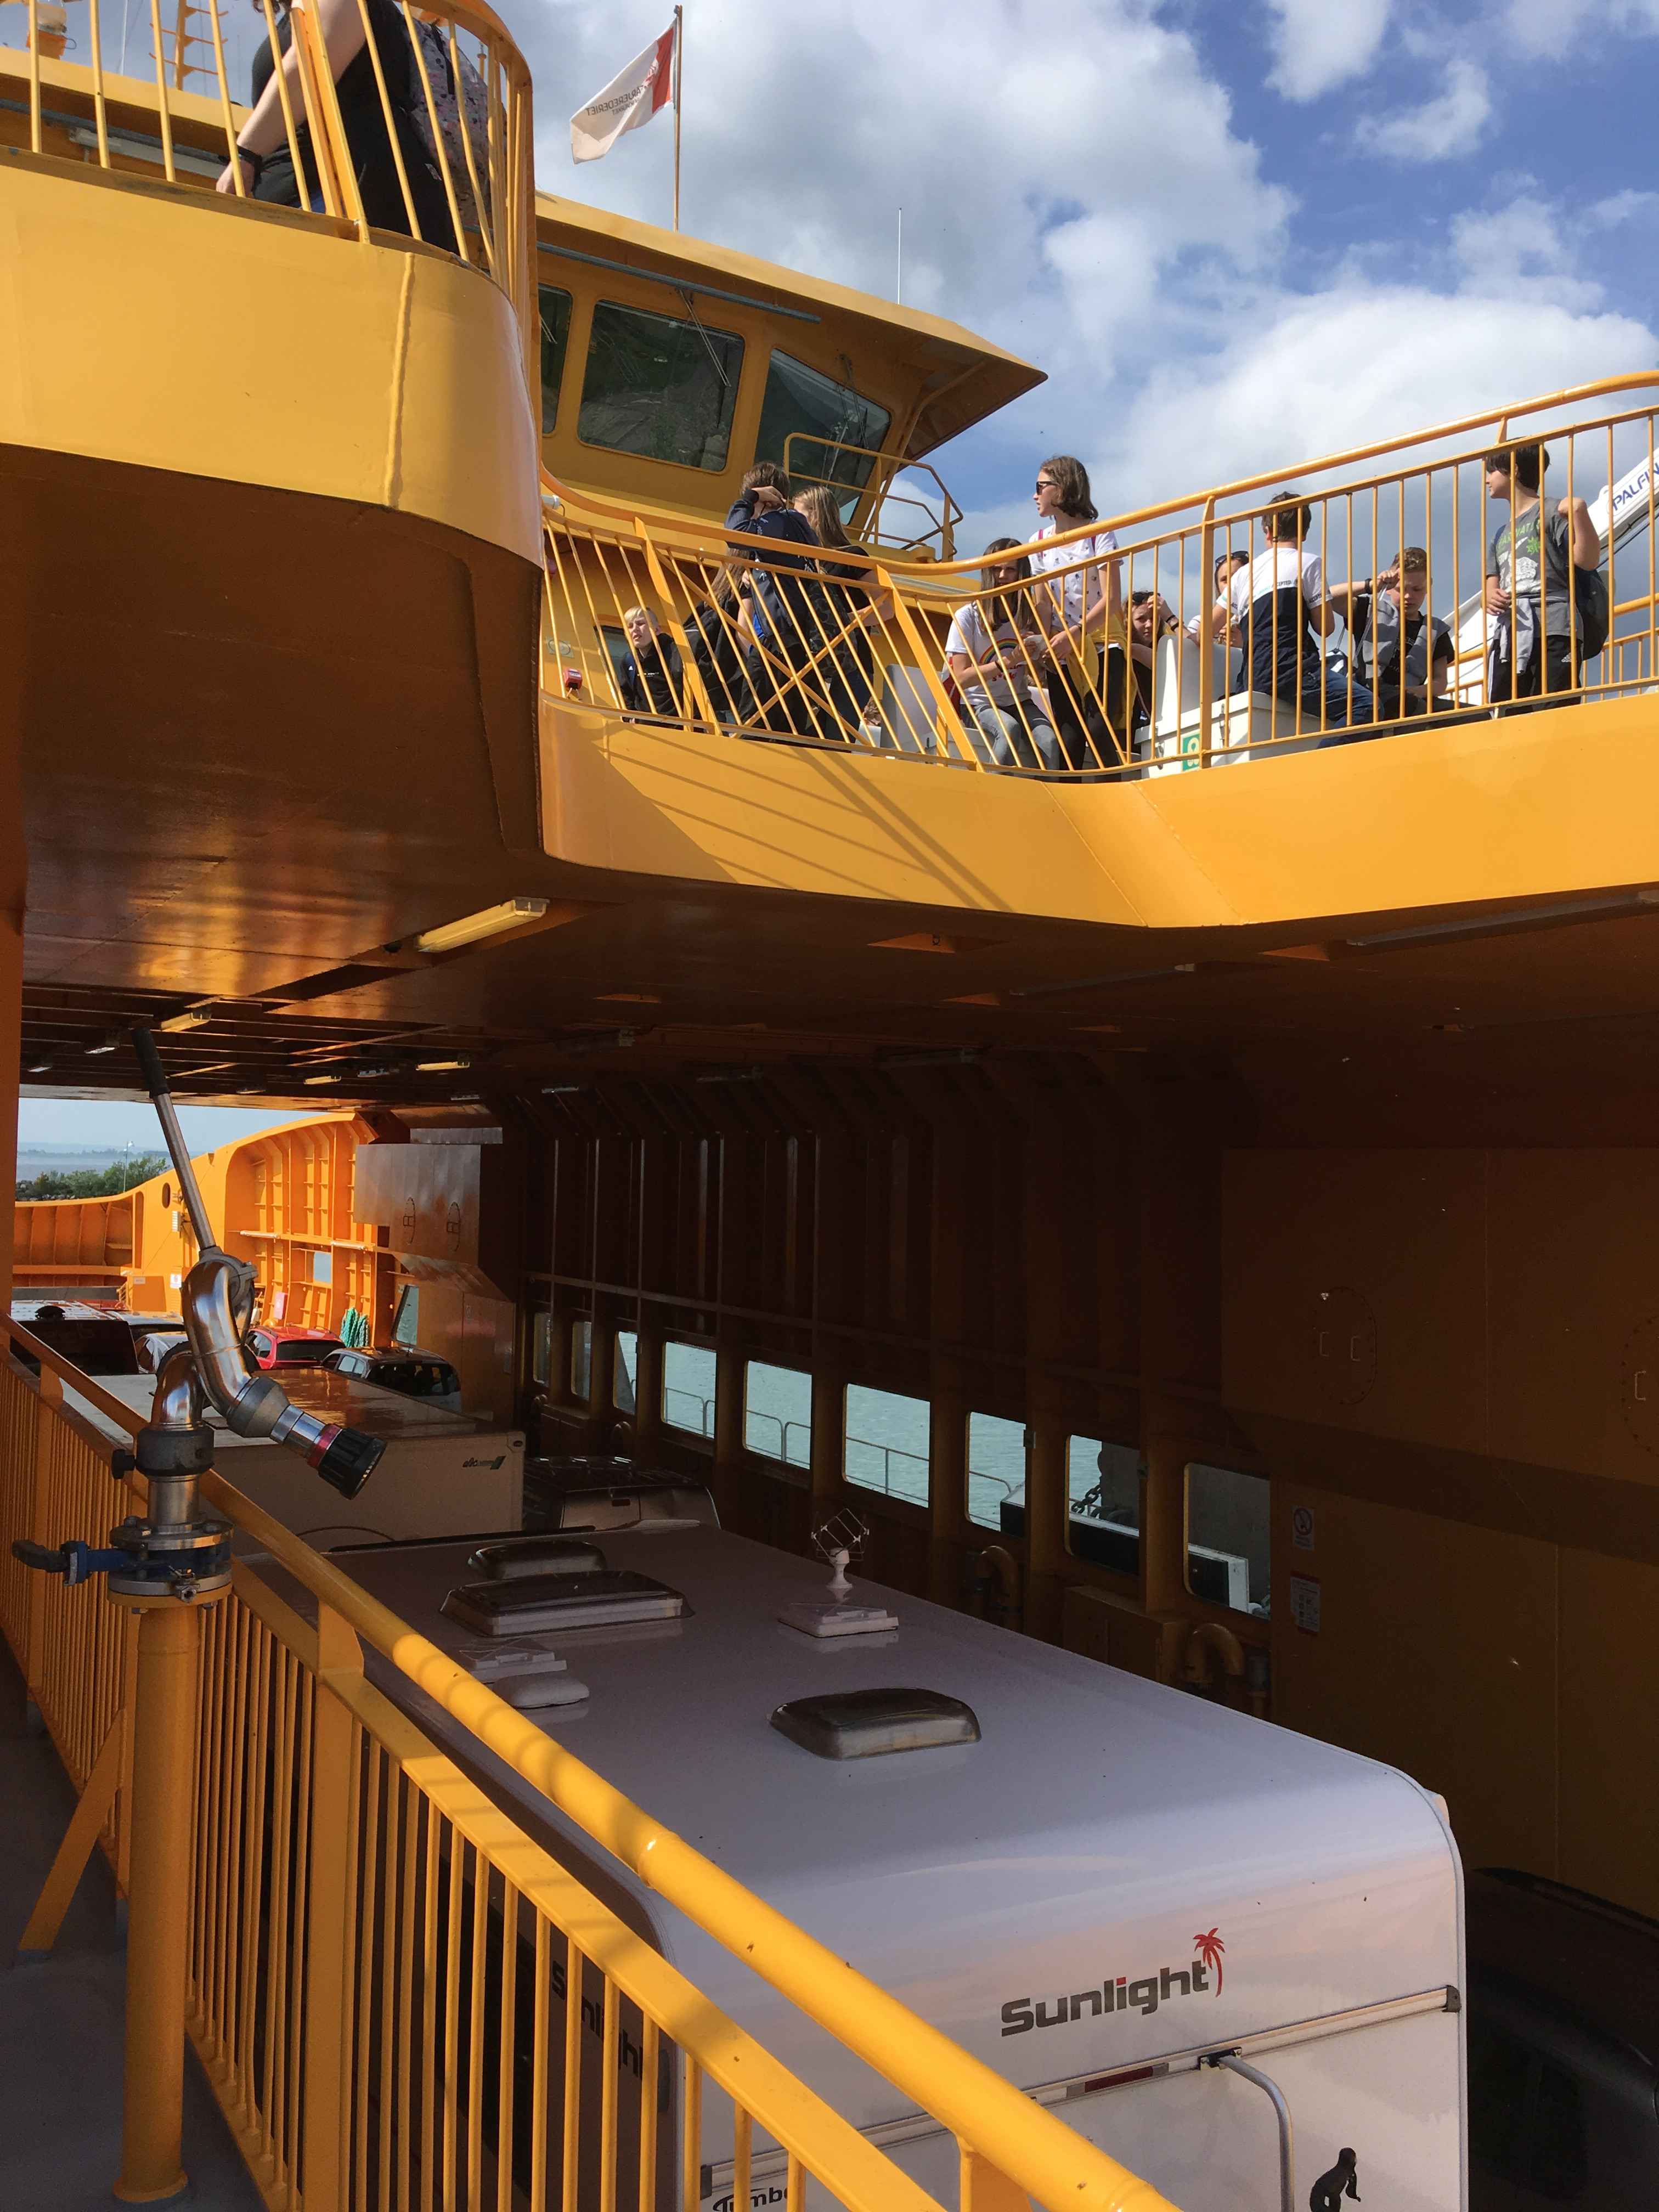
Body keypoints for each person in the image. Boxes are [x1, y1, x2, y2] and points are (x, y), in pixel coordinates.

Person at [218, 0, 457, 247]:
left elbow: (309, 66)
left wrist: (245, 155)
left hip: (347, 199)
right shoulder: (300, 14)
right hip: (316, 199)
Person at [1212, 492, 1378, 744]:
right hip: (1294, 672)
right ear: (1304, 533)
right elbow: (1326, 628)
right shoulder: (1309, 563)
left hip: (1252, 678)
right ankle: (1321, 762)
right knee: (1367, 706)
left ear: (1267, 531)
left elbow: (1207, 628)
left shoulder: (1244, 574)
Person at [1482, 443, 1601, 708]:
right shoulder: (1500, 534)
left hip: (1556, 627)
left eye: (1491, 471)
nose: (1487, 479)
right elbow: (1491, 586)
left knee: (1555, 705)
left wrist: (1580, 513)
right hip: (1511, 632)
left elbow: (1587, 560)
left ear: (1513, 470)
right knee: (1506, 710)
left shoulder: (1553, 512)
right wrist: (1490, 598)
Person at [1029, 455, 1128, 771]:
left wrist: (1075, 634)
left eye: (1040, 487)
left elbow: (1112, 599)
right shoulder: (1037, 542)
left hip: (1102, 642)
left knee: (1099, 729)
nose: (1034, 495)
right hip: (1062, 649)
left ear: (1062, 488)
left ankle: (1111, 792)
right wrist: (1043, 642)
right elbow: (1043, 603)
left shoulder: (1100, 534)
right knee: (1068, 736)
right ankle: (1068, 797)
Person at [943, 540, 1061, 770]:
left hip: (1019, 700)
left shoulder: (1027, 616)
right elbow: (961, 678)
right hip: (977, 703)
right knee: (1008, 729)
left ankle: (1045, 791)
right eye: (997, 569)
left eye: (1011, 570)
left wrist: (1037, 652)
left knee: (1050, 739)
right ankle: (996, 787)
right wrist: (1009, 661)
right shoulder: (967, 616)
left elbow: (1040, 671)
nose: (1003, 576)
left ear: (1022, 574)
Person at [726, 462, 820, 736]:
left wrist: (751, 497)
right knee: (784, 729)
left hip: (780, 639)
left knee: (752, 728)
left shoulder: (780, 521)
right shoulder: (797, 525)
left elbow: (735, 532)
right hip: (793, 638)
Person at [793, 485, 886, 743]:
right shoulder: (802, 560)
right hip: (812, 662)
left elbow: (885, 607)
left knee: (837, 741)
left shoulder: (852, 556)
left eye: (798, 515)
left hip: (852, 666)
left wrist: (842, 622)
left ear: (816, 515)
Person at [1338, 549, 1455, 718]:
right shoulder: (1370, 610)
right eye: (1401, 589)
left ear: (1428, 586)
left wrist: (1417, 691)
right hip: (1368, 691)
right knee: (1407, 704)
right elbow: (1329, 597)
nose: (1408, 596)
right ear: (1389, 588)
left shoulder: (1436, 630)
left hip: (1412, 696)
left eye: (1417, 589)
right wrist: (1371, 585)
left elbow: (1440, 681)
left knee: (1474, 714)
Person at [1128, 590, 1181, 751]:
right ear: (1127, 621)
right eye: (1141, 619)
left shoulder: (1166, 645)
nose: (1149, 625)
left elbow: (1191, 657)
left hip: (1161, 733)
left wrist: (1170, 618)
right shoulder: (1121, 649)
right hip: (1129, 735)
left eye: (1154, 618)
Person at [617, 607, 684, 718]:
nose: (635, 629)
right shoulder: (629, 661)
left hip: (678, 723)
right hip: (646, 725)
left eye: (640, 624)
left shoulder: (674, 653)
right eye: (630, 626)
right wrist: (630, 718)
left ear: (657, 630)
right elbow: (626, 694)